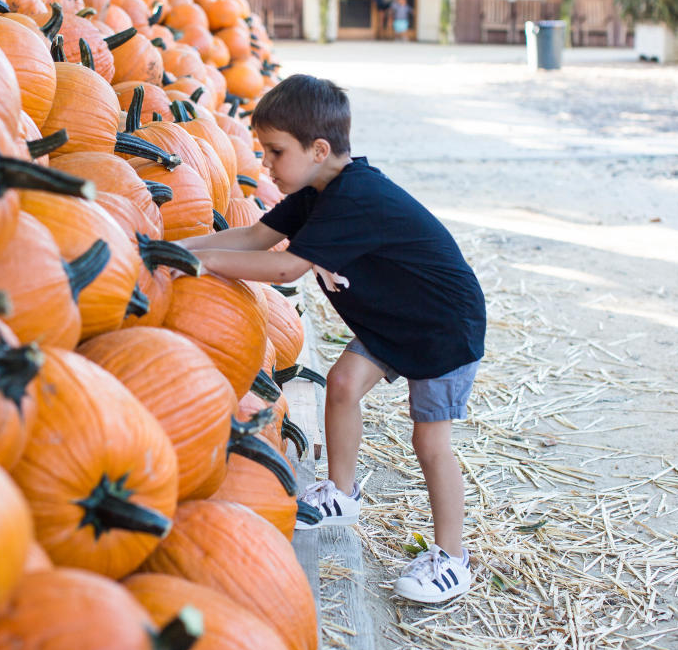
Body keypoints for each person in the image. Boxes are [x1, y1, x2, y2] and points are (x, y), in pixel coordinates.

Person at [180, 75, 487, 604]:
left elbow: (285, 270)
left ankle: (453, 559)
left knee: (429, 442)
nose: (267, 164)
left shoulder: (355, 198)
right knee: (342, 382)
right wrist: (167, 245)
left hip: (441, 325)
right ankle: (342, 494)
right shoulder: (315, 191)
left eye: (275, 151)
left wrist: (193, 262)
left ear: (319, 150)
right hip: (394, 317)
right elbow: (257, 236)